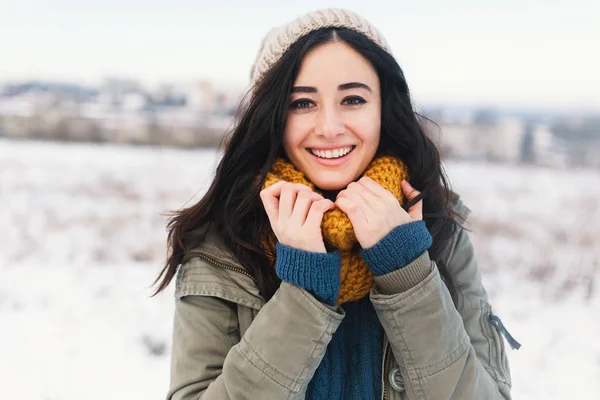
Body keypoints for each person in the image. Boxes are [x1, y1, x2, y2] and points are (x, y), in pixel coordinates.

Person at [153, 8, 520, 400]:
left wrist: (408, 271)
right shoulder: (221, 245)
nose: (329, 128)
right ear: (272, 116)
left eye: (353, 99)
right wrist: (304, 287)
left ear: (384, 109)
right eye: (302, 104)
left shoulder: (436, 228)